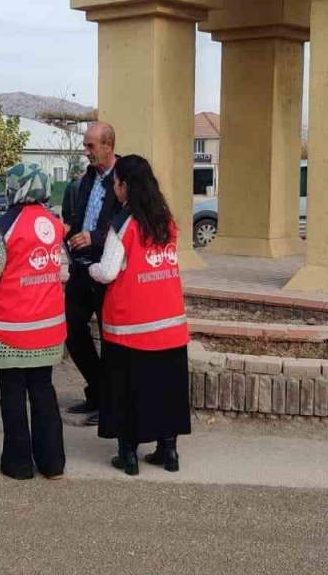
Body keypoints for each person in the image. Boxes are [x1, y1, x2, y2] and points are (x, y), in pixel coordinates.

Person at [89, 154, 191, 476]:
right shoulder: (166, 219)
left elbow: (107, 272)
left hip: (130, 326)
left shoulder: (123, 222)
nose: (114, 188)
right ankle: (168, 451)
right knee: (166, 389)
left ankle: (128, 455)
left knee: (126, 391)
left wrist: (89, 268)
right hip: (170, 323)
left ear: (124, 186)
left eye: (116, 182)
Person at [0, 163, 67, 480]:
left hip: (9, 330)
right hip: (47, 328)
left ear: (14, 188)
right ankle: (53, 463)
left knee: (12, 394)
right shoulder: (53, 224)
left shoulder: (3, 230)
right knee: (43, 391)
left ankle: (18, 464)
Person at [63, 122, 121, 426]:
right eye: (86, 146)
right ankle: (97, 392)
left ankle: (109, 403)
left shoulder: (126, 179)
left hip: (109, 271)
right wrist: (69, 234)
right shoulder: (87, 178)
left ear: (108, 145)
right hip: (82, 269)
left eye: (91, 146)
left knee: (111, 339)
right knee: (72, 329)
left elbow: (127, 224)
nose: (86, 152)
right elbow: (76, 216)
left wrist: (94, 238)